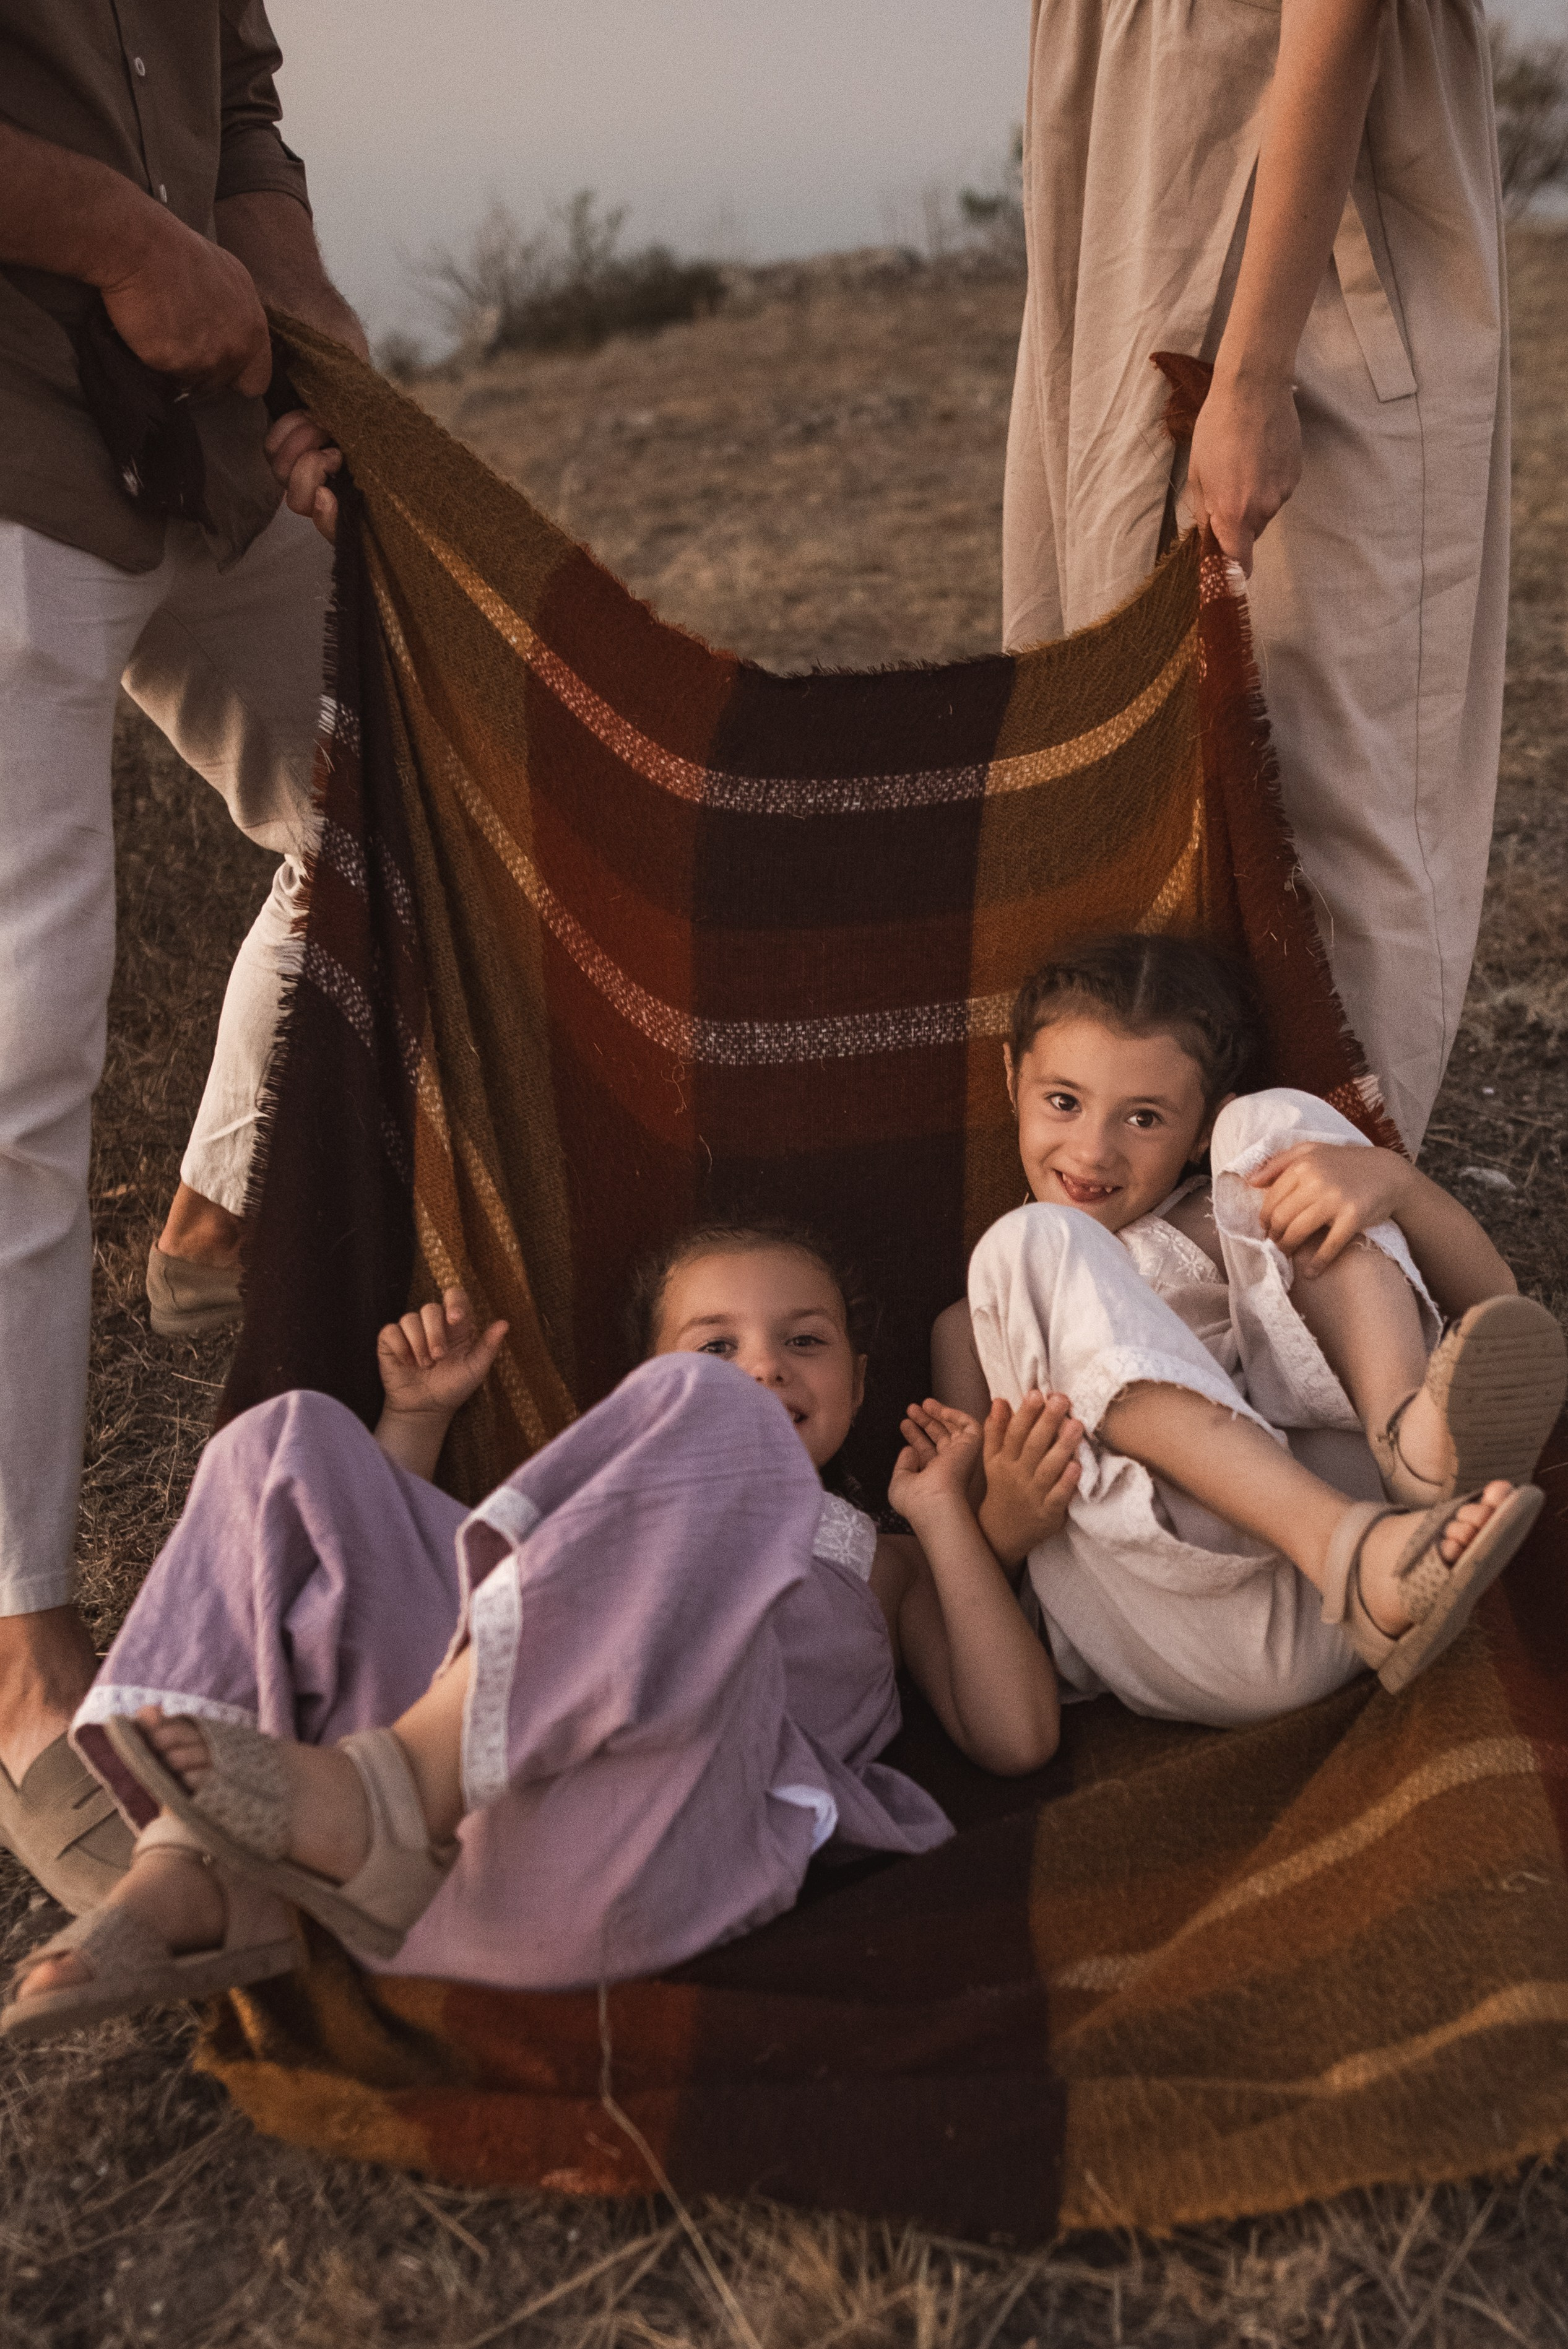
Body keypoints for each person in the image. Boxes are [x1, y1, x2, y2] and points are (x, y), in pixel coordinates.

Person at [2, 1223, 1063, 2038]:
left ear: (862, 1381)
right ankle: (196, 1863)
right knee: (290, 1435)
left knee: (720, 1433)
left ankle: (391, 1792)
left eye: (805, 1340)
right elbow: (382, 1595)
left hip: (625, 1845)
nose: (766, 1366)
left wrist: (941, 1518)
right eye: (714, 1347)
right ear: (635, 1402)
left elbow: (1015, 1735)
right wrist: (414, 1421)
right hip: (420, 1876)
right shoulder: (593, 1518)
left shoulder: (885, 1563)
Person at [0, 3, 366, 1910]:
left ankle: (219, 1209)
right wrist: (128, 242)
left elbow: (233, 93)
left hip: (206, 440)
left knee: (403, 807)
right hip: (10, 440)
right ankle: (19, 1663)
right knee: (19, 1052)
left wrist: (307, 335)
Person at [1003, 0, 1508, 1153]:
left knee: (1317, 768)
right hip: (1129, 176)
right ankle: (1164, 1197)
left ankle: (1337, 1220)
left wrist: (1253, 372)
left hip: (1287, 209)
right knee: (1117, 733)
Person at [933, 935, 1566, 1725]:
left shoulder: (1231, 1203)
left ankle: (1406, 1436)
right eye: (1063, 1101)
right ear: (1011, 1078)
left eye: (1144, 1117)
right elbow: (961, 1574)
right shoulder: (978, 1320)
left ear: (1199, 1128)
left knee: (1275, 1121)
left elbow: (1491, 1301)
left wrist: (1396, 1184)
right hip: (1202, 1625)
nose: (1093, 1150)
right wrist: (1005, 1518)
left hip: (1405, 1550)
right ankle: (1345, 1549)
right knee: (1025, 1242)